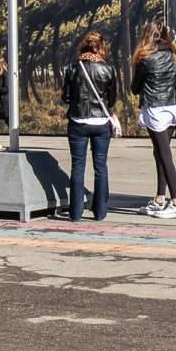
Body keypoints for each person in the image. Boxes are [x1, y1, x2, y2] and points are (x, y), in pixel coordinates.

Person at [62, 30, 120, 222]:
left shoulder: (72, 68)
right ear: (101, 47)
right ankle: (100, 212)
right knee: (100, 166)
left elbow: (66, 97)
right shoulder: (108, 69)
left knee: (77, 167)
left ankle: (76, 213)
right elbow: (112, 99)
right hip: (101, 122)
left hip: (78, 121)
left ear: (83, 45)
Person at [133, 21, 176, 217]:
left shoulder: (144, 58)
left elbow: (135, 87)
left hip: (155, 108)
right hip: (173, 106)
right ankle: (159, 198)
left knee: (164, 155)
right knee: (161, 153)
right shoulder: (174, 55)